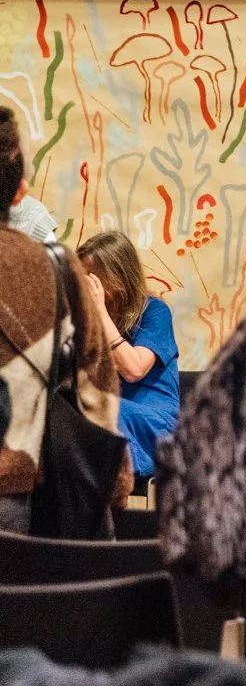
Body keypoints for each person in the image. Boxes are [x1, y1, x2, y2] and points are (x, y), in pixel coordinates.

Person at [0, 106, 131, 532]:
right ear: (19, 191)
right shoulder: (55, 269)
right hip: (15, 498)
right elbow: (95, 384)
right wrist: (113, 484)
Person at [78, 231, 180, 482]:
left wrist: (100, 312)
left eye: (93, 279)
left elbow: (134, 369)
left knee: (103, 410)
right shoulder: (86, 321)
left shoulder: (154, 312)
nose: (88, 288)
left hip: (156, 425)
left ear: (118, 277)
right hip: (109, 418)